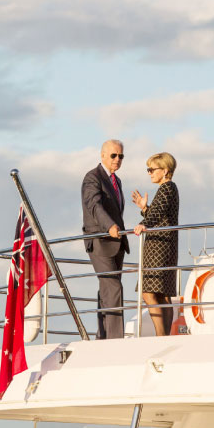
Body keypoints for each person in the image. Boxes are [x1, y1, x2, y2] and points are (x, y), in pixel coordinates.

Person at [81, 139, 130, 339]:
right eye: (113, 155)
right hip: (100, 241)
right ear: (102, 155)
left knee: (107, 290)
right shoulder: (92, 178)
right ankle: (115, 340)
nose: (117, 159)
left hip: (117, 243)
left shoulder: (116, 181)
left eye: (121, 156)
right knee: (113, 286)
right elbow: (94, 206)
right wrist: (109, 225)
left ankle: (102, 337)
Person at [131, 152, 179, 337]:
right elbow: (161, 214)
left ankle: (161, 337)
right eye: (148, 169)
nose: (149, 172)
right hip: (165, 245)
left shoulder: (167, 188)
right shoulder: (169, 189)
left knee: (149, 292)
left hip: (158, 247)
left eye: (152, 169)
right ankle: (163, 336)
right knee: (161, 294)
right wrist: (145, 209)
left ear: (165, 170)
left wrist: (145, 223)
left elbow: (158, 214)